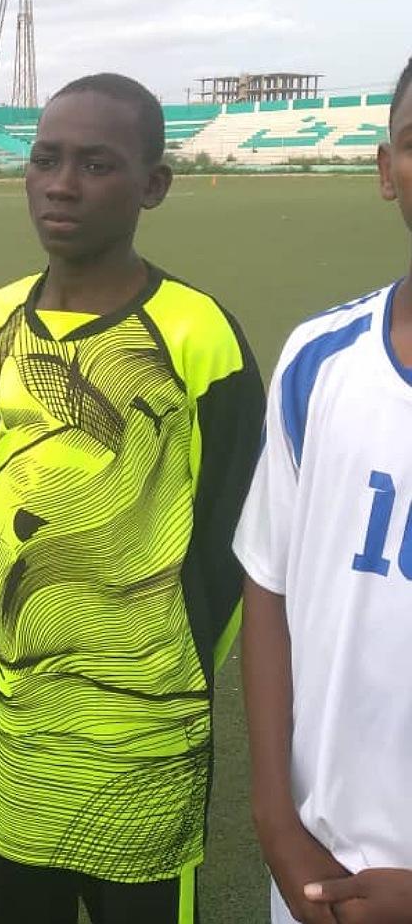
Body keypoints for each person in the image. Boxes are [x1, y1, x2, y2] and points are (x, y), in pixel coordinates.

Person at [0, 73, 264, 922]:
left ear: (153, 185)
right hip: (7, 718)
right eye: (46, 159)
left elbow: (237, 533)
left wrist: (172, 664)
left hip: (140, 733)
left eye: (96, 165)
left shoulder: (196, 334)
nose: (61, 185)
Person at [237, 56, 412, 924]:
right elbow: (268, 583)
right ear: (387, 169)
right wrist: (276, 820)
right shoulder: (319, 361)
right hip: (319, 867)